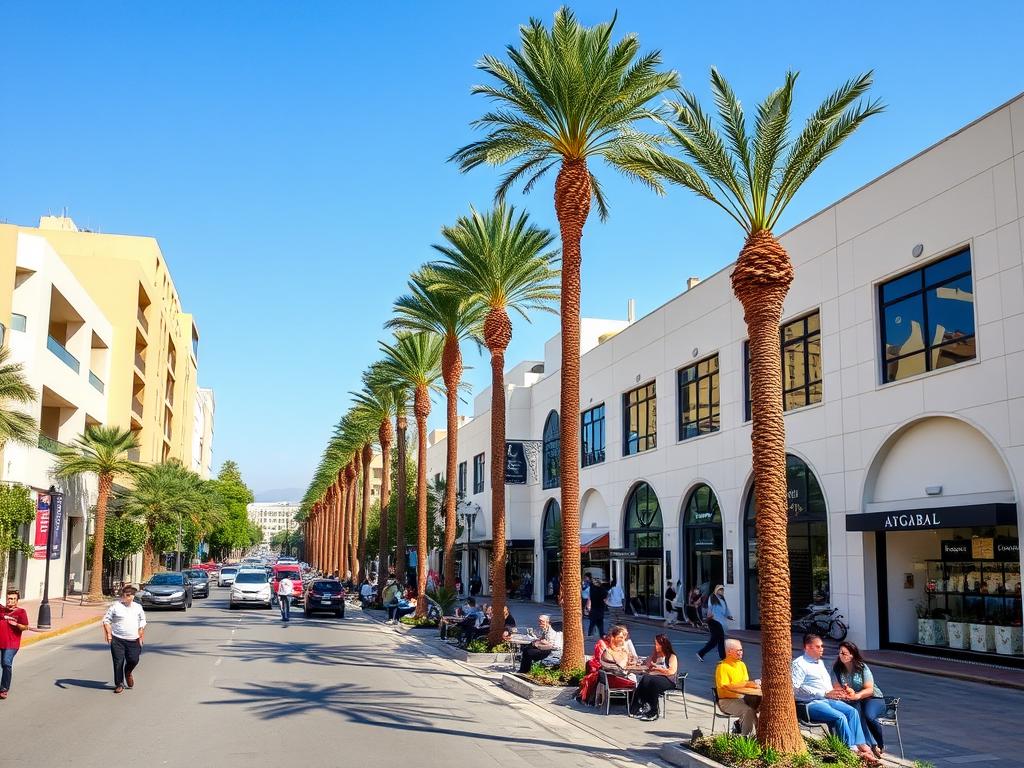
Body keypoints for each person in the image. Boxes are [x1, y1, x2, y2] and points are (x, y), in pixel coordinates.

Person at [792, 634, 879, 765]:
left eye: (822, 646)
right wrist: (824, 693)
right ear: (808, 647)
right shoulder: (799, 664)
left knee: (852, 712)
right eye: (818, 646)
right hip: (810, 703)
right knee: (840, 717)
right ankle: (850, 750)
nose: (822, 649)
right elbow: (794, 688)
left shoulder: (820, 662)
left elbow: (826, 685)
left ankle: (860, 744)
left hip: (827, 699)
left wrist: (838, 692)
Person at [832, 641, 887, 759]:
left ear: (852, 655)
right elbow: (837, 687)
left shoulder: (862, 667)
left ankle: (879, 743)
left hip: (872, 698)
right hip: (853, 699)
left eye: (844, 653)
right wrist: (846, 691)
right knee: (855, 712)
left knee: (869, 715)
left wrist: (857, 695)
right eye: (840, 653)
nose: (841, 655)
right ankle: (869, 744)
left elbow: (869, 689)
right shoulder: (837, 668)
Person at [102, 585, 147, 694]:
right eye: (123, 595)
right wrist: (109, 634)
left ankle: (128, 672)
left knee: (133, 660)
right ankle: (119, 684)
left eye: (127, 595)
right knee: (118, 662)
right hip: (118, 639)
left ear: (132, 596)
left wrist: (141, 629)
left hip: (133, 639)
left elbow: (143, 619)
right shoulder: (115, 606)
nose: (124, 597)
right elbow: (106, 620)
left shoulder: (137, 607)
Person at [714, 639, 759, 736]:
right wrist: (746, 684)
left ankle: (756, 733)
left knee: (763, 707)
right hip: (727, 701)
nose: (741, 653)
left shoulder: (742, 665)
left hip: (742, 698)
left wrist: (754, 684)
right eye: (738, 650)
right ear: (729, 652)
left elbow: (745, 682)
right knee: (748, 711)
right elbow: (726, 686)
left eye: (741, 650)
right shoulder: (722, 667)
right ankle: (746, 737)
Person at [631, 633, 678, 720]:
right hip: (654, 678)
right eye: (655, 643)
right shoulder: (655, 655)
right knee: (646, 679)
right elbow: (647, 666)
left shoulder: (671, 657)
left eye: (657, 644)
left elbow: (671, 671)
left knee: (653, 683)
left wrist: (658, 669)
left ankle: (653, 711)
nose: (655, 646)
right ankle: (639, 706)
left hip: (668, 680)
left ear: (663, 644)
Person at [0, 589, 30, 700]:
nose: (11, 601)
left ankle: (4, 689)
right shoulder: (1, 609)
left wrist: (16, 624)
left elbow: (25, 627)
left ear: (17, 601)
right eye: (9, 599)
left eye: (13, 599)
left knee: (6, 662)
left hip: (12, 644)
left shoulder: (21, 612)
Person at [697, 585, 732, 662]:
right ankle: (722, 657)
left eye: (722, 590)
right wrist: (709, 617)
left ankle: (701, 653)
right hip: (713, 621)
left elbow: (726, 611)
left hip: (720, 622)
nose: (721, 591)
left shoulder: (723, 600)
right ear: (716, 590)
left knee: (716, 641)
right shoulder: (712, 598)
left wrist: (729, 616)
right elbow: (710, 608)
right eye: (720, 590)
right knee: (719, 640)